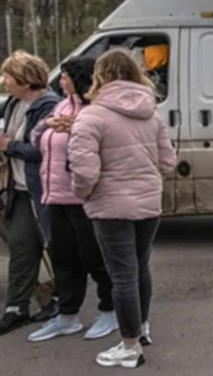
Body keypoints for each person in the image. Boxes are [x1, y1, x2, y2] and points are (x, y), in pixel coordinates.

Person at [68, 48, 176, 368]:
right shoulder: (151, 114)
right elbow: (168, 162)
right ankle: (141, 329)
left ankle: (129, 347)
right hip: (148, 202)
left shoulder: (91, 116)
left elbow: (84, 171)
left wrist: (83, 194)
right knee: (140, 267)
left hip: (110, 205)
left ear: (99, 76)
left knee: (123, 276)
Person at [26, 56, 118, 342]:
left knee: (95, 258)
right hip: (55, 196)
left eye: (65, 76)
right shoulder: (61, 106)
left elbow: (103, 144)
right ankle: (67, 316)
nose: (60, 80)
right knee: (64, 259)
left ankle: (110, 310)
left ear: (79, 78)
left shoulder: (96, 109)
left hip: (84, 198)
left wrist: (75, 128)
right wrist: (47, 124)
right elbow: (35, 140)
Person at [0, 50, 61, 335]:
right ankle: (17, 307)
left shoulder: (50, 105)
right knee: (22, 247)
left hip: (46, 189)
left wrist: (10, 147)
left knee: (57, 247)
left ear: (25, 80)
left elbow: (43, 149)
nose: (4, 81)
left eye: (8, 76)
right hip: (20, 190)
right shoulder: (13, 103)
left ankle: (61, 301)